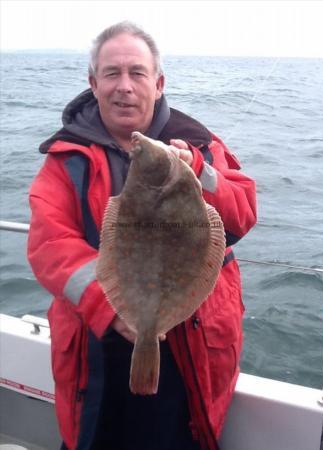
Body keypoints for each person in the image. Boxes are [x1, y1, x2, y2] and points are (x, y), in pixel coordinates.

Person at [27, 21, 256, 450]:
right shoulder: (64, 161)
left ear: (159, 82)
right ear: (93, 84)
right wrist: (110, 307)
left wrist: (200, 174)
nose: (125, 86)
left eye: (137, 73)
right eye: (112, 73)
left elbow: (243, 216)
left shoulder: (199, 146)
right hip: (96, 355)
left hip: (190, 353)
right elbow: (48, 245)